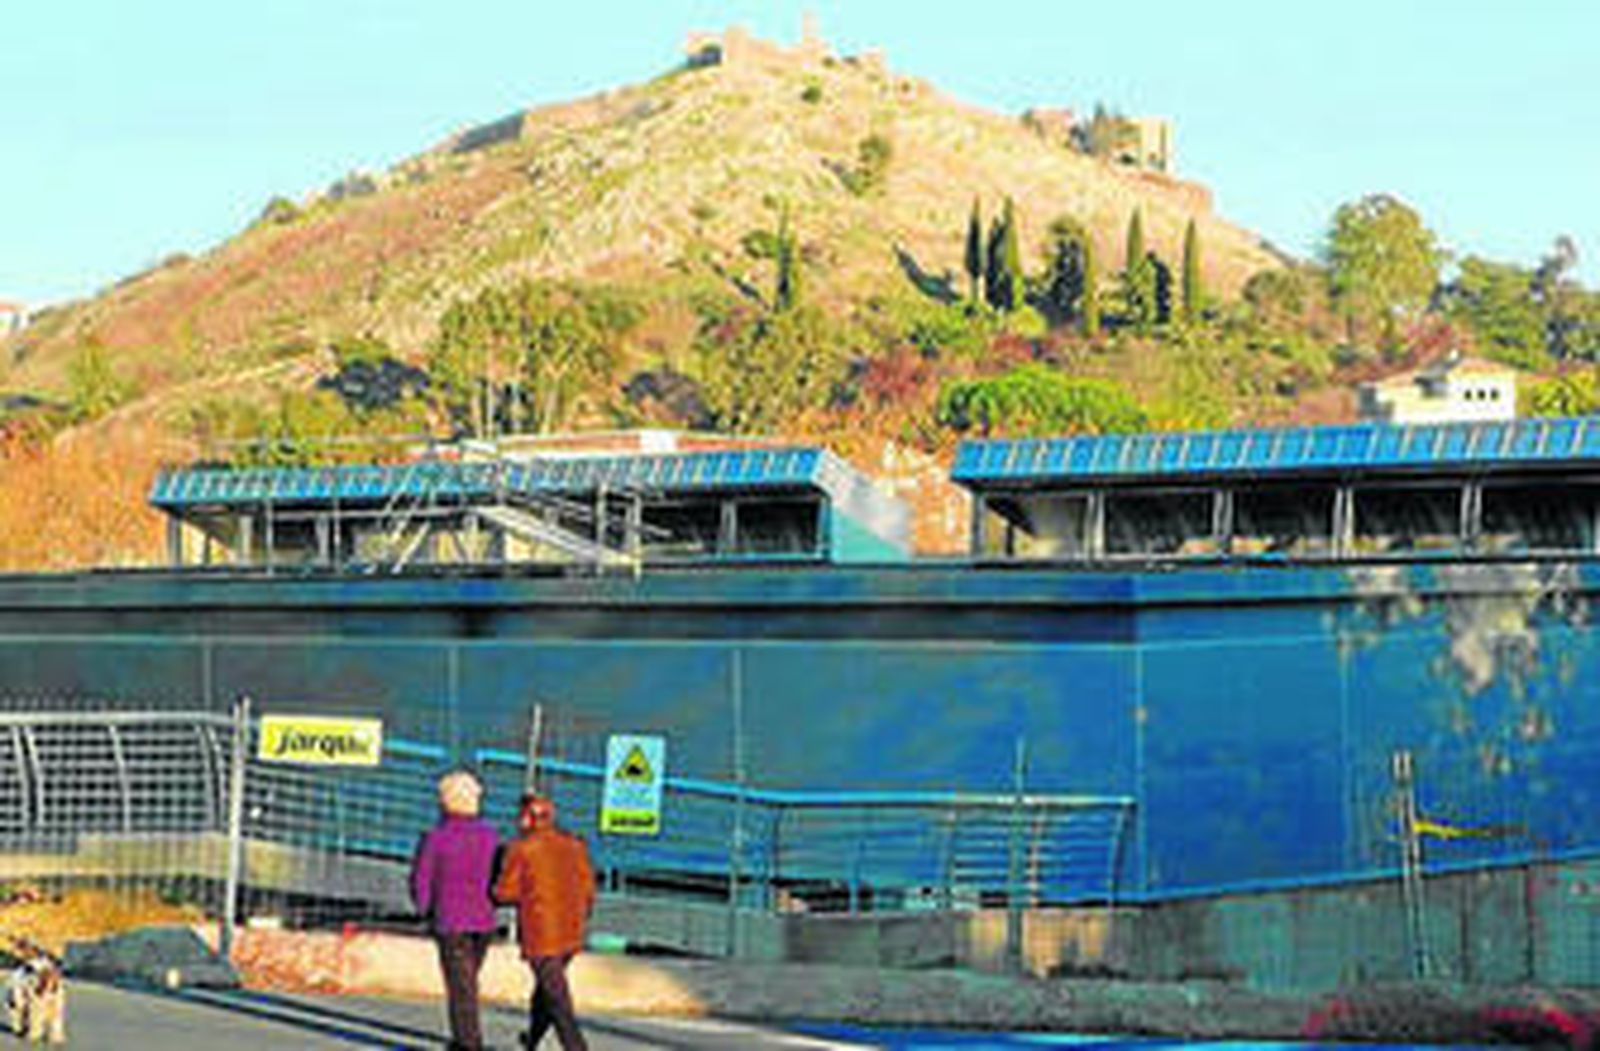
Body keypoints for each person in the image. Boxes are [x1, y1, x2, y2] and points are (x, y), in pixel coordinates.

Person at [494, 794, 596, 1051]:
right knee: (546, 993)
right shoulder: (575, 845)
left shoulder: (521, 849)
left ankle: (576, 1047)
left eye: (520, 816)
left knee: (557, 999)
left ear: (528, 818)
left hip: (541, 934)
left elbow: (505, 893)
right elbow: (588, 888)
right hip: (572, 931)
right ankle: (532, 1040)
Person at [410, 769, 499, 1051]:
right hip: (484, 921)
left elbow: (422, 879)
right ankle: (464, 1038)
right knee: (468, 983)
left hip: (451, 921)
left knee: (461, 988)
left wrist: (423, 908)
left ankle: (468, 1043)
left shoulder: (436, 837)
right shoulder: (490, 837)